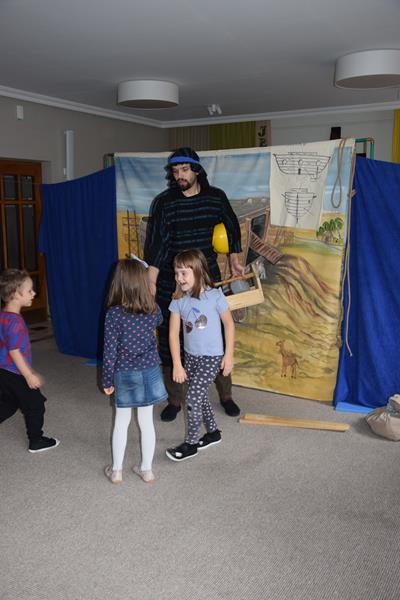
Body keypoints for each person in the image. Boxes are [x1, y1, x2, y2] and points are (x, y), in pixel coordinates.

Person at [143, 147, 244, 422]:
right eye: (176, 171)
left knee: (216, 334)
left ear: (197, 170)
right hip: (172, 280)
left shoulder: (215, 197)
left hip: (206, 277)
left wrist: (234, 260)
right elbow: (156, 243)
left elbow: (232, 225)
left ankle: (226, 395)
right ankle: (175, 398)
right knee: (171, 337)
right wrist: (151, 280)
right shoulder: (164, 203)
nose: (180, 176)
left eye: (185, 170)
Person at [102, 258, 167, 484]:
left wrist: (107, 380)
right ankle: (147, 470)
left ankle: (116, 471)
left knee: (122, 421)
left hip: (125, 372)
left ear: (118, 283)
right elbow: (160, 319)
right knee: (146, 421)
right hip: (149, 370)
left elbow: (109, 351)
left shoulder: (114, 314)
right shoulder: (152, 309)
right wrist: (152, 295)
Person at [166, 249, 235, 461]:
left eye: (184, 273)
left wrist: (228, 355)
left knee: (193, 397)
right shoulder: (178, 300)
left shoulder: (215, 296)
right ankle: (213, 432)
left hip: (212, 357)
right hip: (191, 357)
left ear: (198, 271)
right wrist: (177, 364)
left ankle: (191, 443)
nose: (179, 278)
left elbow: (229, 324)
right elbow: (172, 334)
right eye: (176, 273)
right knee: (201, 396)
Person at [0, 269, 59, 453]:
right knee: (35, 404)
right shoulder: (15, 322)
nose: (34, 293)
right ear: (15, 294)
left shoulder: (4, 316)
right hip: (15, 372)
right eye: (29, 290)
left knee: (9, 403)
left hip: (3, 371)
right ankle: (36, 441)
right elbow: (14, 351)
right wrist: (28, 375)